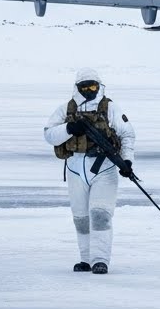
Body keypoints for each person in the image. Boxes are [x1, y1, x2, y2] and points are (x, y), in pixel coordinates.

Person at [43, 68, 136, 275]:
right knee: (81, 218)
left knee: (101, 215)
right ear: (77, 88)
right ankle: (85, 259)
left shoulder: (110, 107)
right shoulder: (66, 109)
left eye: (93, 86)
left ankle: (100, 260)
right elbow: (48, 134)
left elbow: (127, 135)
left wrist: (127, 161)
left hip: (105, 168)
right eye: (84, 87)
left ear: (99, 86)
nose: (89, 91)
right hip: (76, 168)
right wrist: (69, 129)